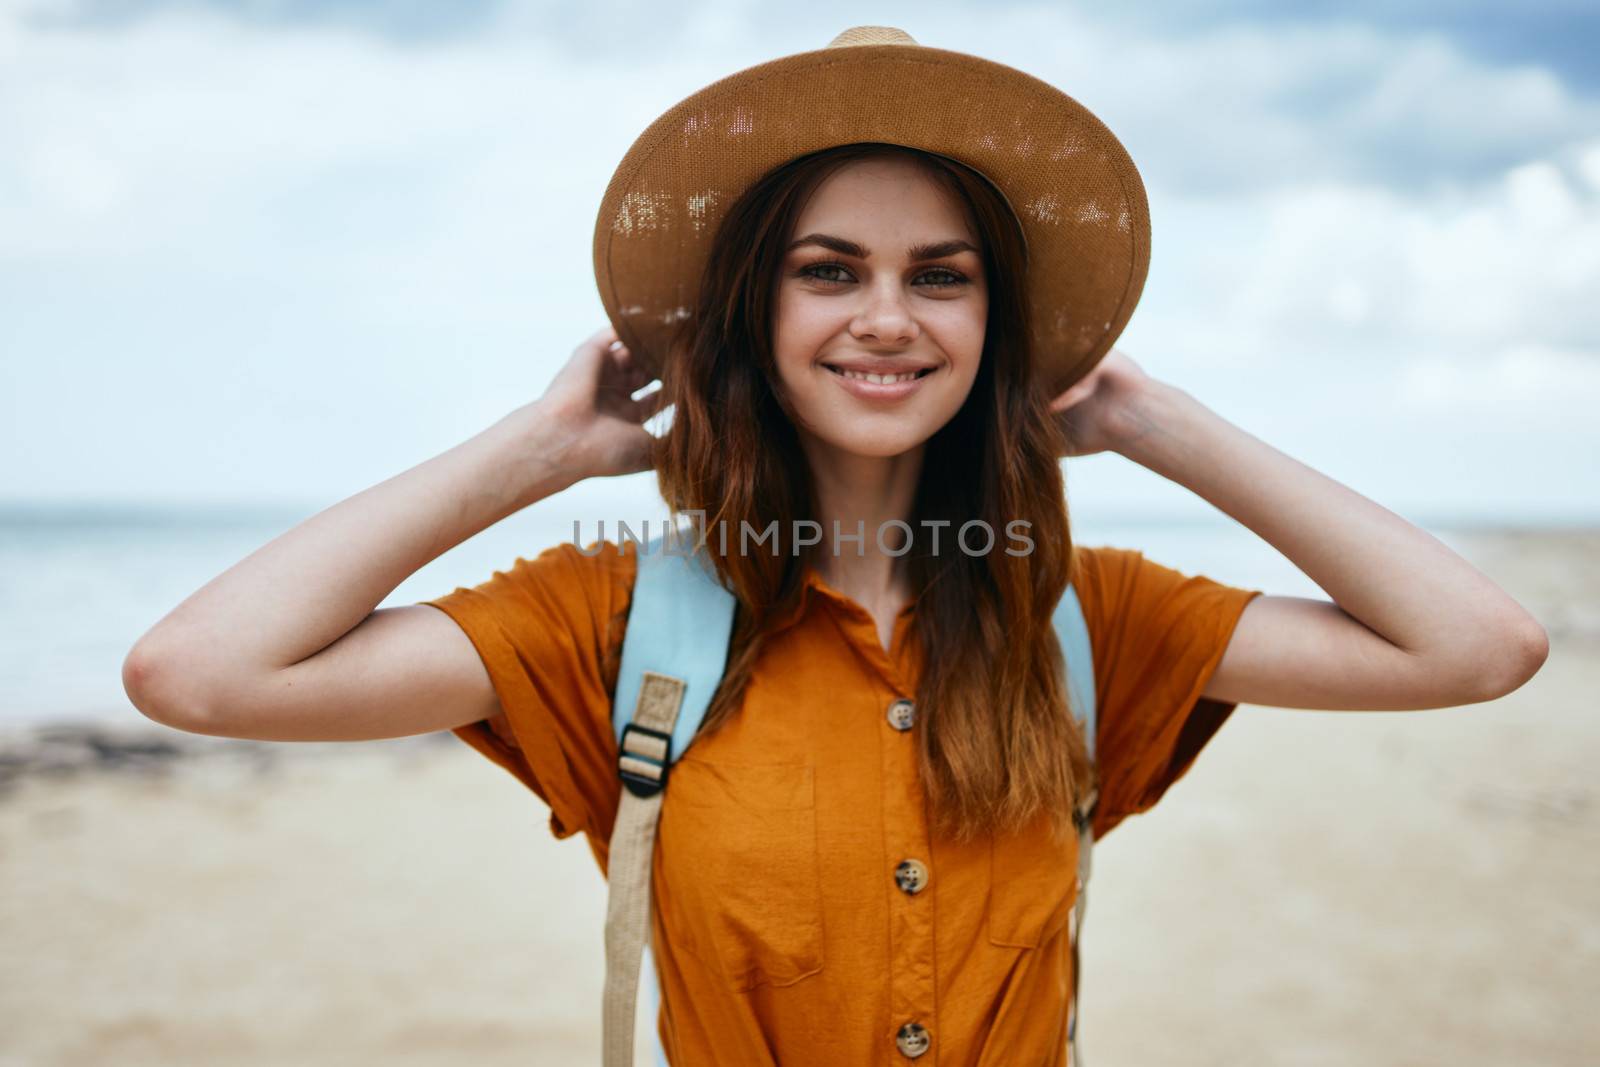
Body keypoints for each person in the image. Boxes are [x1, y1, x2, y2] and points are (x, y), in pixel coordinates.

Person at [122, 26, 1549, 1067]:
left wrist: (1151, 416)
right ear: (756, 316)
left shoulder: (1086, 617)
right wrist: (539, 453)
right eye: (828, 272)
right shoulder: (610, 620)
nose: (888, 318)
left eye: (943, 278)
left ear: (994, 329)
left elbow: (1481, 647)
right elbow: (197, 675)